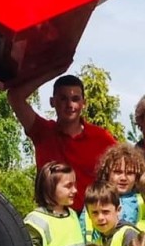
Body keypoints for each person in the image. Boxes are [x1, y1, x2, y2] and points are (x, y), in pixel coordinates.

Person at [9, 74, 117, 208]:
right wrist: (52, 72)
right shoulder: (42, 131)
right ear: (52, 101)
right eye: (63, 98)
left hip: (91, 218)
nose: (70, 104)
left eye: (75, 99)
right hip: (51, 215)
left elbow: (124, 171)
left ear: (84, 103)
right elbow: (15, 97)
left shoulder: (102, 138)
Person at [25, 162, 85, 246]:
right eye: (68, 186)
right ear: (50, 188)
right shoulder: (35, 220)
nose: (75, 190)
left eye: (74, 185)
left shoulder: (72, 214)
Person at [83, 182, 138, 246]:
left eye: (105, 212)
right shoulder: (98, 241)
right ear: (88, 214)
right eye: (95, 213)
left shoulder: (128, 235)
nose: (100, 218)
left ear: (118, 210)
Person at [97, 143, 145, 227]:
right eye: (117, 172)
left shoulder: (144, 202)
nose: (123, 178)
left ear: (137, 177)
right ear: (107, 173)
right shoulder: (95, 199)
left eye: (130, 173)